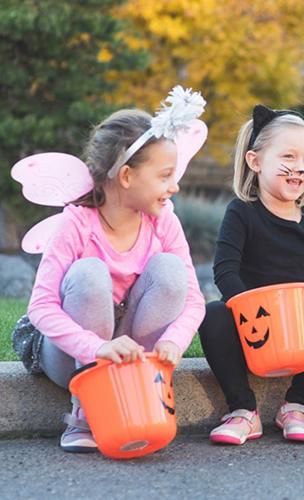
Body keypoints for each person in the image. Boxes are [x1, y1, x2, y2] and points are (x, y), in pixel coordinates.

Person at [13, 87, 208, 452]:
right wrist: (97, 348)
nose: (175, 185)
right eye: (164, 175)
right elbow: (40, 307)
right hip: (73, 353)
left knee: (170, 270)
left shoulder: (163, 221)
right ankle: (85, 411)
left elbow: (194, 300)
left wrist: (173, 341)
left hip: (131, 347)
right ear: (127, 176)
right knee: (89, 273)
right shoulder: (77, 224)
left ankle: (139, 391)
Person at [198, 105, 304, 445]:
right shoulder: (242, 213)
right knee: (211, 314)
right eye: (289, 156)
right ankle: (243, 410)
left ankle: (297, 405)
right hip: (249, 328)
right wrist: (249, 308)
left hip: (296, 328)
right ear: (256, 161)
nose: (300, 167)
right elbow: (224, 270)